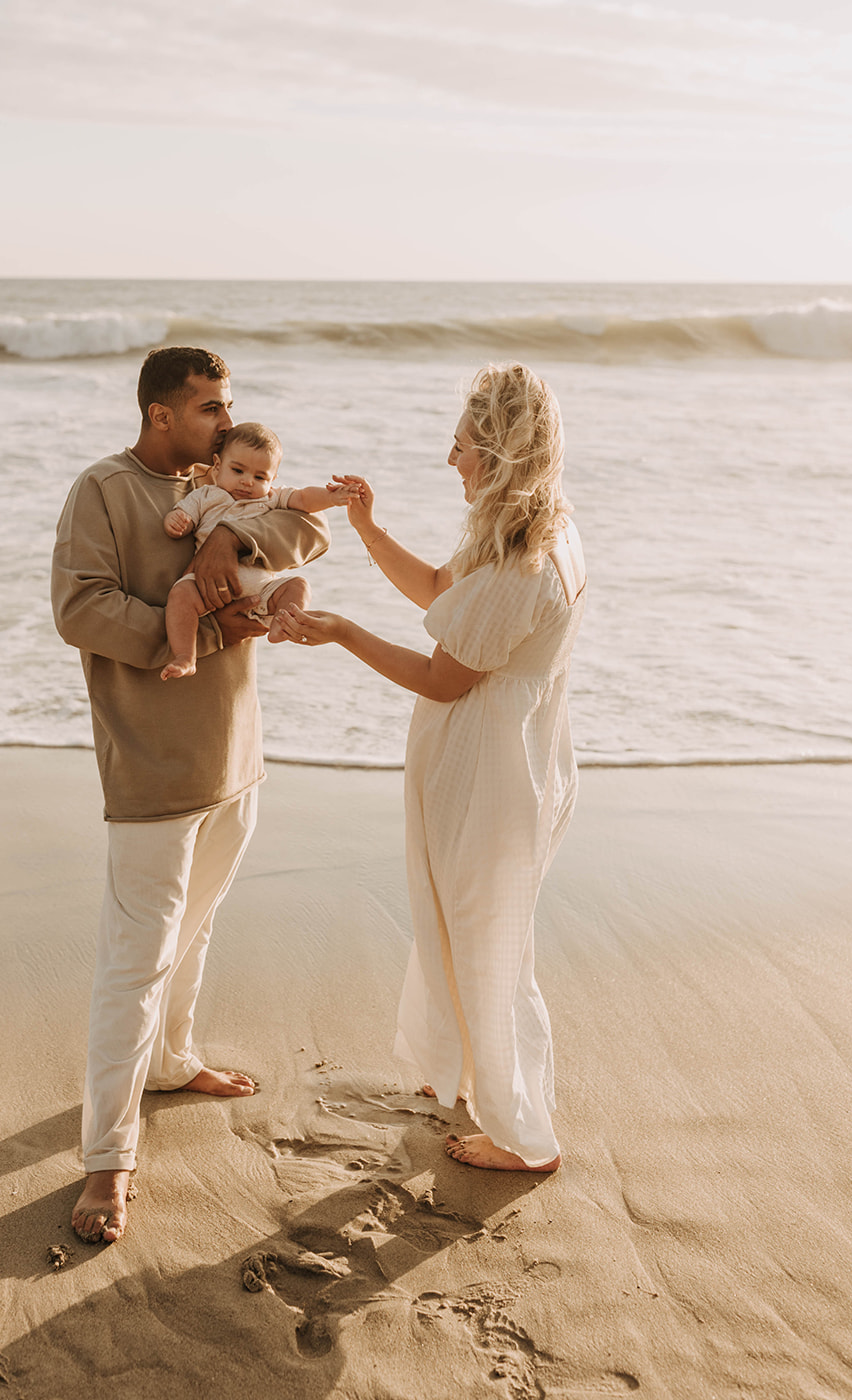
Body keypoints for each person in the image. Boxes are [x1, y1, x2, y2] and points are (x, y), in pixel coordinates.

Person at [51, 346, 330, 1243]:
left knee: (196, 928)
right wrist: (206, 631)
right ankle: (107, 1160)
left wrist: (226, 533)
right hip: (154, 766)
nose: (224, 418)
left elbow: (310, 532)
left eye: (227, 404)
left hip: (234, 758)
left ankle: (171, 1062)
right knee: (134, 961)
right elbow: (80, 607)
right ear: (162, 414)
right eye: (209, 406)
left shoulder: (234, 487)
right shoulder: (105, 489)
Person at [277, 362, 585, 1172]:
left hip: (492, 775)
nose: (450, 461)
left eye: (458, 447)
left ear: (494, 450)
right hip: (494, 759)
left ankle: (525, 1138)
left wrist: (340, 631)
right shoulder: (520, 530)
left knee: (489, 942)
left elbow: (442, 677)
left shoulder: (524, 560)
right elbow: (442, 592)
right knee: (461, 929)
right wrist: (367, 527)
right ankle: (464, 1076)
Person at [160, 421, 357, 680]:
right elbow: (183, 514)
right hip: (208, 586)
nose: (247, 482)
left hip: (261, 590)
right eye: (238, 470)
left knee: (298, 586)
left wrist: (331, 498)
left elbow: (304, 499)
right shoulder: (206, 496)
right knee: (181, 594)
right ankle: (185, 656)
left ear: (272, 480)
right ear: (217, 466)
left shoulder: (270, 498)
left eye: (260, 477)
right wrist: (176, 522)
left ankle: (281, 624)